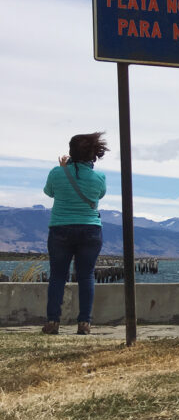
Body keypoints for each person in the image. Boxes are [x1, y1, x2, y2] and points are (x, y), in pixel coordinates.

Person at [42, 132, 108, 335]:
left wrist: (64, 169)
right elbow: (100, 195)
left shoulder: (56, 172)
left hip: (60, 228)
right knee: (86, 275)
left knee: (58, 276)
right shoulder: (99, 177)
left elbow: (49, 192)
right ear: (93, 154)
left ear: (70, 152)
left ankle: (53, 321)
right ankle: (84, 323)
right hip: (90, 229)